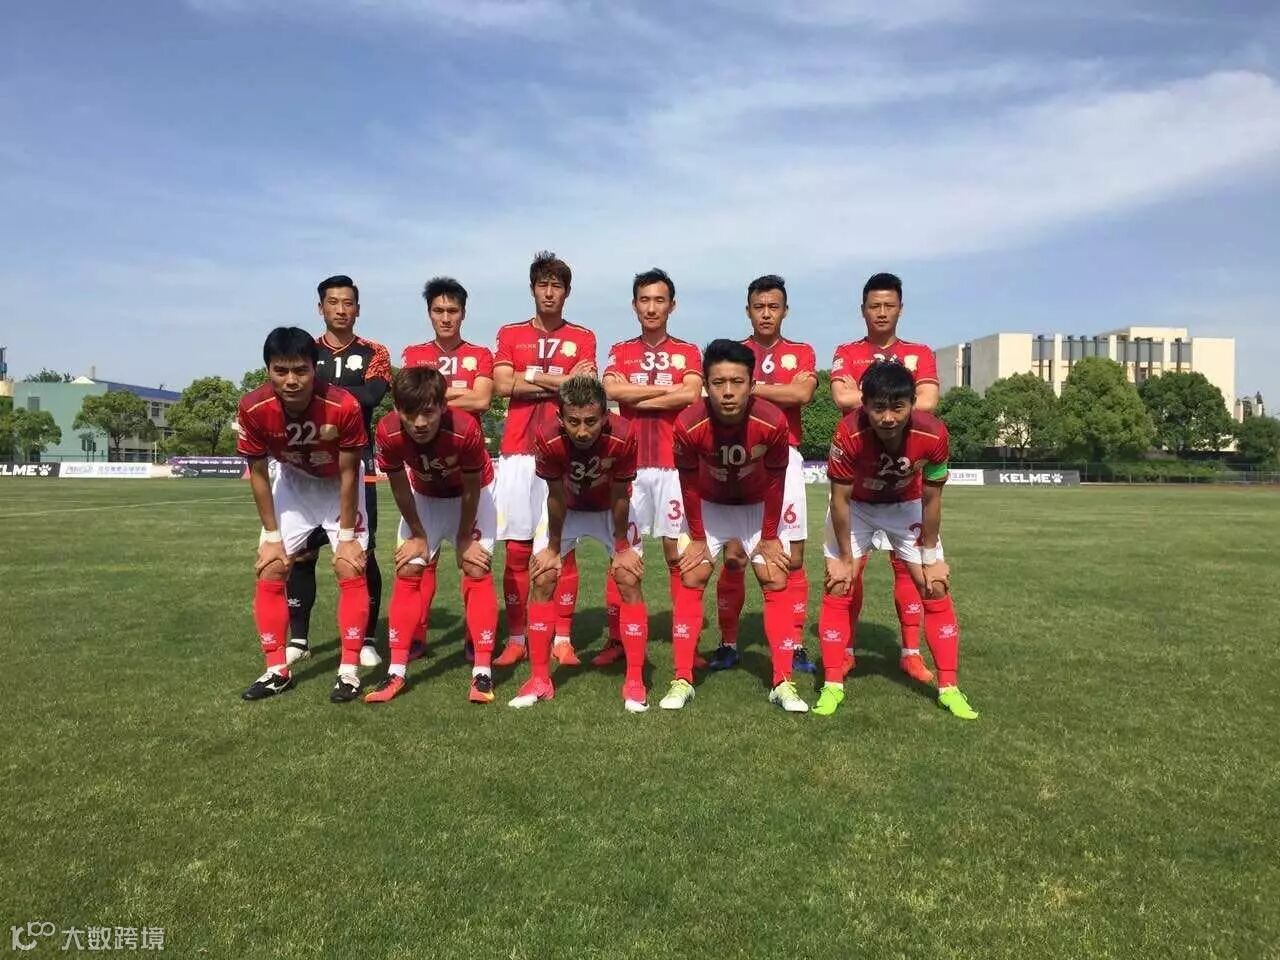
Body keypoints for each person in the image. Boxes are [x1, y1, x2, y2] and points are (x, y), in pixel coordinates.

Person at [815, 361, 979, 720]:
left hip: (905, 505)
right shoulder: (847, 432)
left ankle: (949, 688)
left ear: (913, 403)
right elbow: (839, 500)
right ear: (864, 404)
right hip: (858, 507)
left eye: (898, 407)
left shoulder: (934, 433)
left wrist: (931, 554)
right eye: (878, 408)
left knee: (935, 585)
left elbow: (932, 499)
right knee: (839, 583)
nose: (888, 417)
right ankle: (832, 684)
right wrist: (844, 558)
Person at [658, 339, 807, 713]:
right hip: (710, 505)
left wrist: (770, 536)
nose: (728, 392)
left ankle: (782, 682)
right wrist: (696, 537)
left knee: (775, 577)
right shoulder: (688, 423)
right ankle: (682, 678)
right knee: (692, 574)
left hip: (757, 505)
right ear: (705, 385)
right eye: (719, 382)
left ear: (752, 384)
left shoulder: (772, 422)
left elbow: (776, 482)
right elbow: (689, 484)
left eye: (737, 382)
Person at [238, 327, 370, 702]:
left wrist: (347, 538)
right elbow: (258, 474)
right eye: (280, 371)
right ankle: (276, 670)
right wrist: (272, 537)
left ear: (315, 368)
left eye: (300, 370)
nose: (291, 380)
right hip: (293, 483)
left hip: (338, 485)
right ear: (268, 370)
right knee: (270, 567)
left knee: (349, 566)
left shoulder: (343, 405)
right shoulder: (252, 407)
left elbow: (350, 472)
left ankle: (349, 671)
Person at [508, 376, 649, 712]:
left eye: (590, 421)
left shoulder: (624, 434)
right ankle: (539, 678)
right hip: (568, 508)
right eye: (573, 422)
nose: (582, 431)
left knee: (628, 578)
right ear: (560, 418)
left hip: (610, 509)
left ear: (605, 416)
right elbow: (555, 495)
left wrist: (622, 546)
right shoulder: (546, 436)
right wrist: (553, 548)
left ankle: (635, 680)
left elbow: (621, 494)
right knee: (543, 577)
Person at [363, 366, 500, 704]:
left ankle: (482, 672)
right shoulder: (387, 431)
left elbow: (472, 488)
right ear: (397, 408)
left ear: (443, 406)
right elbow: (399, 486)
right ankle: (396, 671)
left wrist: (465, 537)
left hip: (471, 497)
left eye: (428, 412)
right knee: (409, 567)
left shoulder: (465, 428)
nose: (420, 423)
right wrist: (418, 534)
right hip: (425, 498)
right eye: (410, 413)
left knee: (476, 567)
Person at [828, 272, 940, 684]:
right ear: (863, 310)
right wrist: (898, 400)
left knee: (907, 569)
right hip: (858, 487)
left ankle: (910, 652)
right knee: (849, 570)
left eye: (888, 305)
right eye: (874, 306)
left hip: (904, 486)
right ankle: (846, 652)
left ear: (900, 309)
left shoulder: (919, 352)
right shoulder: (847, 351)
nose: (881, 312)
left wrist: (868, 399)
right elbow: (839, 397)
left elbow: (929, 402)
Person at [490, 252, 598, 669]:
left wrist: (529, 377)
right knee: (517, 550)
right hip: (518, 453)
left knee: (562, 548)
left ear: (567, 292)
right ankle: (517, 637)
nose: (549, 293)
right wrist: (559, 381)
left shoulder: (583, 336)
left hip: (565, 452)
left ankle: (562, 638)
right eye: (543, 285)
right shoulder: (510, 332)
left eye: (557, 286)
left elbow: (584, 388)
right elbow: (503, 384)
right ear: (532, 289)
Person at [710, 275, 818, 673]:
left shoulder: (801, 352)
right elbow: (783, 393)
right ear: (748, 311)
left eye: (774, 307)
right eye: (759, 307)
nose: (766, 313)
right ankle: (728, 643)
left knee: (792, 556)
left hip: (785, 457)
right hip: (741, 458)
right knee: (734, 555)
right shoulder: (736, 352)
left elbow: (802, 394)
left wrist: (749, 389)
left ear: (785, 311)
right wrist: (777, 389)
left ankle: (794, 644)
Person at [596, 268, 702, 667]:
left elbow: (691, 395)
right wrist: (668, 392)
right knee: (623, 552)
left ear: (672, 306)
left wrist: (637, 397)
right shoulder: (621, 350)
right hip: (631, 467)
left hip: (676, 467)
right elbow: (610, 390)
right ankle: (616, 638)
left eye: (660, 300)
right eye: (645, 300)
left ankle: (685, 642)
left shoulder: (688, 350)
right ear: (634, 305)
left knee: (679, 554)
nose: (652, 307)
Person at [285, 275, 390, 671]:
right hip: (306, 463)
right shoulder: (304, 351)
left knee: (362, 552)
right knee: (302, 552)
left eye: (348, 303)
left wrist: (318, 393)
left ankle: (366, 638)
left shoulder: (375, 351)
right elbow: (288, 394)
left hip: (357, 460)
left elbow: (373, 396)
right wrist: (345, 396)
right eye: (333, 302)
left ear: (358, 309)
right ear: (320, 308)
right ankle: (298, 639)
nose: (341, 310)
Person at [401, 276, 495, 660]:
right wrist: (460, 394)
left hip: (469, 471)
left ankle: (475, 637)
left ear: (463, 313)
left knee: (473, 559)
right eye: (438, 310)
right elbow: (409, 402)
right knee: (422, 560)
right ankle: (416, 634)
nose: (445, 317)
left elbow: (483, 400)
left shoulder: (481, 354)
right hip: (426, 471)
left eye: (452, 310)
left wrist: (432, 396)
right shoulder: (413, 353)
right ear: (429, 313)